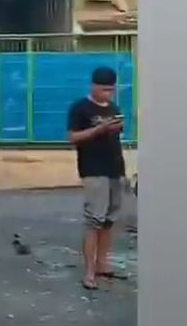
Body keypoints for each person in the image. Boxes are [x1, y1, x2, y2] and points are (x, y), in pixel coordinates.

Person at [67, 66, 127, 290]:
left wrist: (116, 127)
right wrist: (98, 129)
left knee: (109, 220)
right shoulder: (80, 108)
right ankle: (89, 272)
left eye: (111, 90)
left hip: (115, 169)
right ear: (93, 86)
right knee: (94, 220)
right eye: (104, 90)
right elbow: (72, 137)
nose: (108, 94)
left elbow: (116, 133)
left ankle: (103, 264)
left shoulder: (114, 107)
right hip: (93, 170)